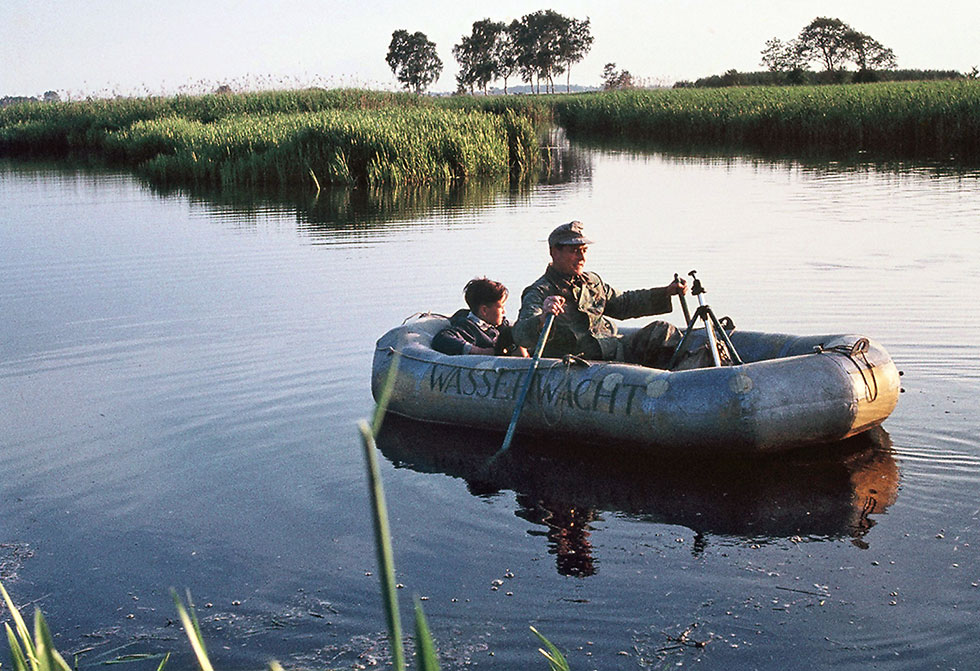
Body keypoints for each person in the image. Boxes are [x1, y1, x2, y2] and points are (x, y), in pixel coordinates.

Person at [512, 220, 689, 368]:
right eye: (574, 251)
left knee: (662, 330)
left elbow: (624, 303)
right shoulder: (539, 292)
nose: (582, 258)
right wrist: (542, 318)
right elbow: (520, 334)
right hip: (580, 365)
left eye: (584, 250)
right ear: (554, 252)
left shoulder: (592, 282)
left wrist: (666, 292)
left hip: (614, 351)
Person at [432, 277, 528, 357]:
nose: (504, 311)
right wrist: (482, 351)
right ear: (484, 310)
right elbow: (441, 339)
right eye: (501, 307)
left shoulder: (501, 325)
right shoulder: (468, 328)